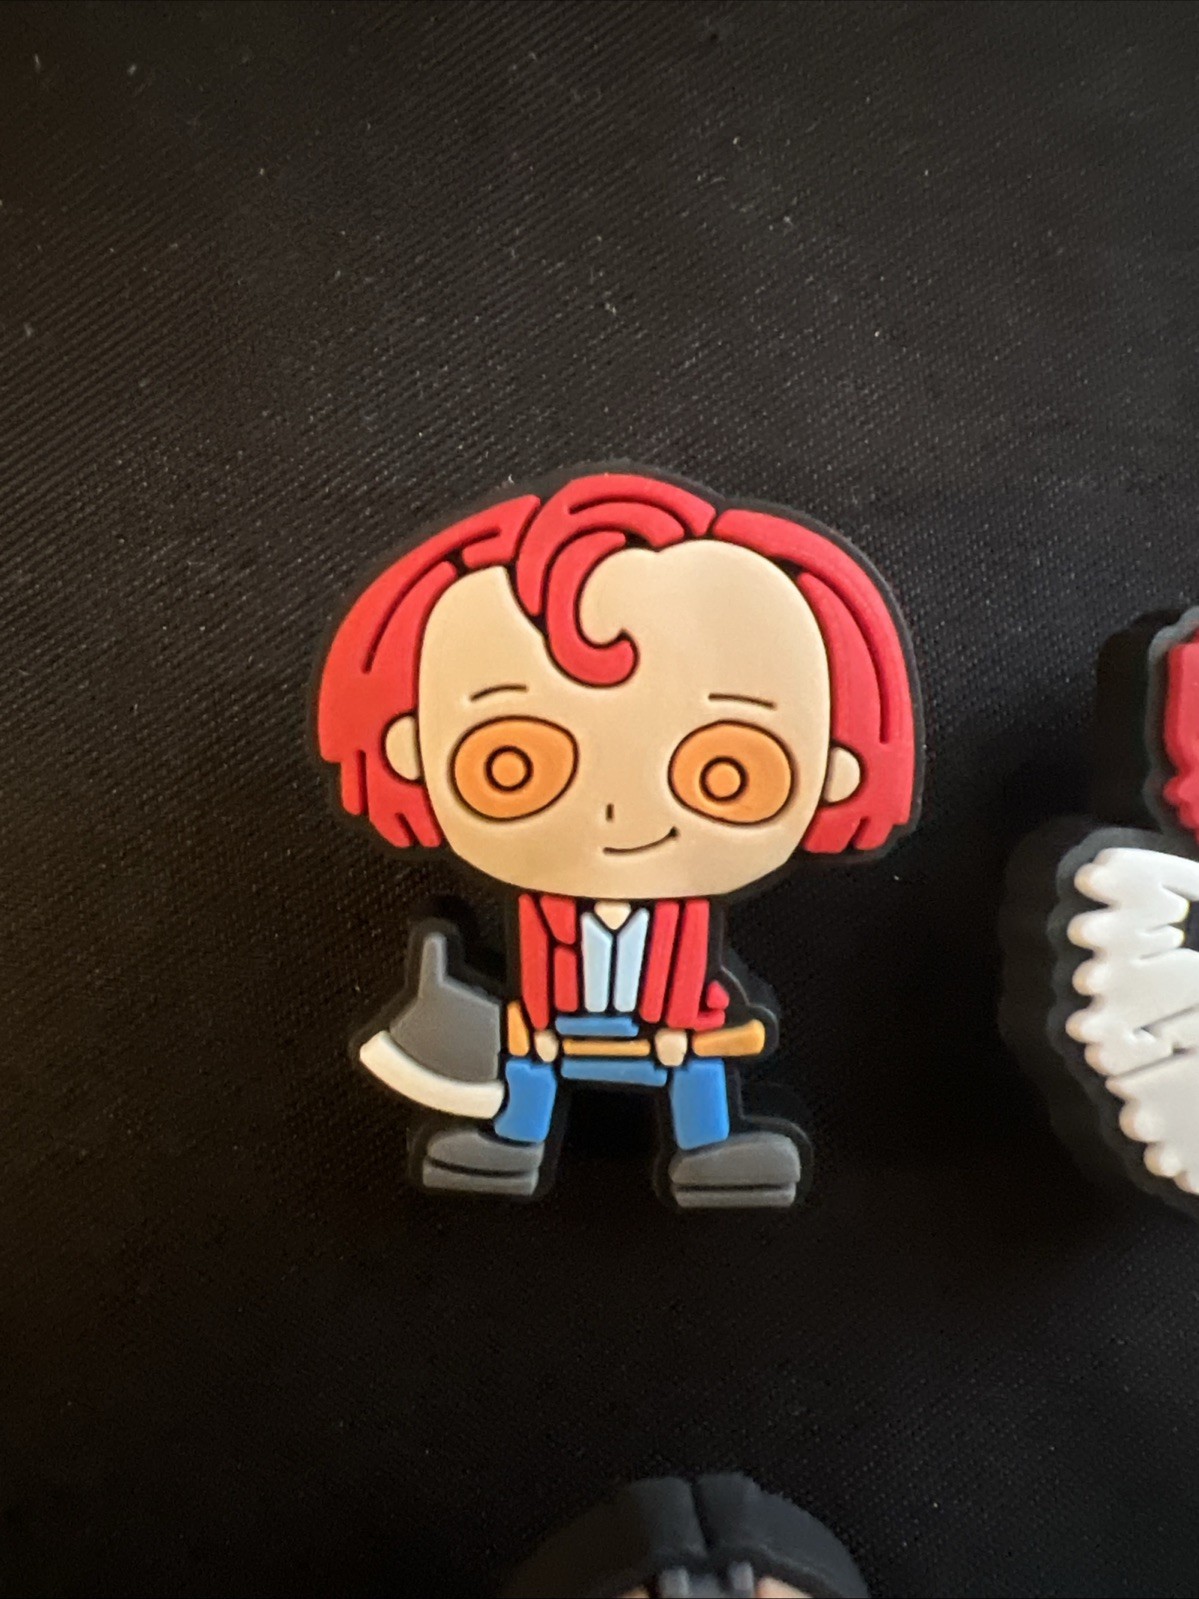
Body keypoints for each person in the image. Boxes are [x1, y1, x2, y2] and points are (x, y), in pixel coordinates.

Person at [318, 469, 920, 1206]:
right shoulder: (542, 916)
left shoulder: (685, 926)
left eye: (724, 772)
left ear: (835, 770)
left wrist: (689, 1029)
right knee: (528, 1072)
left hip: (669, 1036)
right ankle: (515, 1141)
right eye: (514, 764)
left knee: (697, 1074)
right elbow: (537, 983)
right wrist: (533, 1027)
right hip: (555, 1032)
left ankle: (708, 1147)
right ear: (410, 749)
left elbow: (706, 998)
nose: (618, 817)